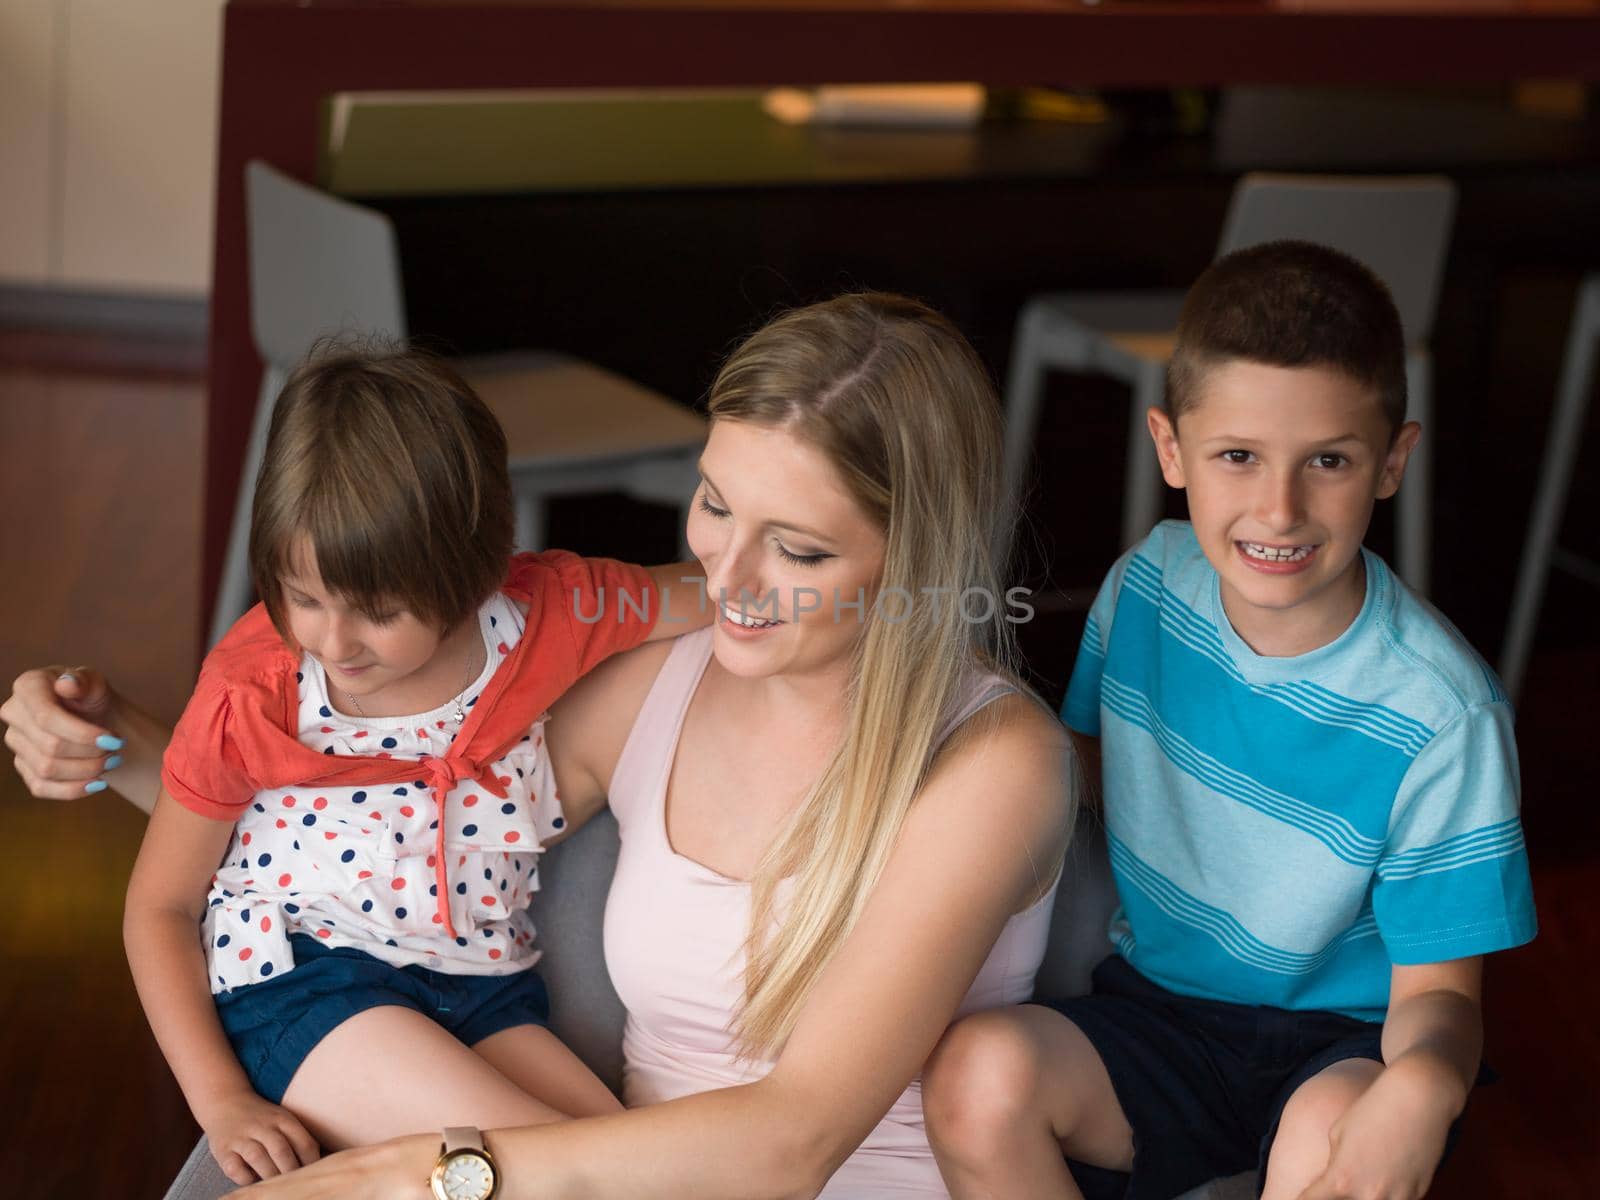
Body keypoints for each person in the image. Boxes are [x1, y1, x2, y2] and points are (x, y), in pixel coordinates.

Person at [3, 292, 1075, 1199]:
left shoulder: (989, 763)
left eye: (795, 547)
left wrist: (422, 1173)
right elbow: (364, 821)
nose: (726, 581)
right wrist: (113, 745)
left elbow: (791, 1143)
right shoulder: (656, 684)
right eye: (712, 503)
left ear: (918, 548)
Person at [919, 241, 1538, 1200]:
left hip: (1344, 1045)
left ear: (1392, 461)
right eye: (1238, 457)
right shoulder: (1146, 590)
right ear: (1172, 450)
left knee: (1330, 1137)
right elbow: (1071, 777)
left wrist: (1424, 1085)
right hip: (1160, 1013)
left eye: (1327, 460)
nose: (1279, 510)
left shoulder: (1444, 714)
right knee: (976, 1077)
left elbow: (1442, 998)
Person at [118, 344, 705, 1186]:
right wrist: (221, 1101)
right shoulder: (253, 688)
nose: (333, 640)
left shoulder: (551, 611)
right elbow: (161, 905)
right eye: (302, 595)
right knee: (580, 1180)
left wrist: (904, 590)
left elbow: (725, 591)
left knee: (633, 1159)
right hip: (306, 981)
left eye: (379, 612)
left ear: (474, 577)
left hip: (481, 986)